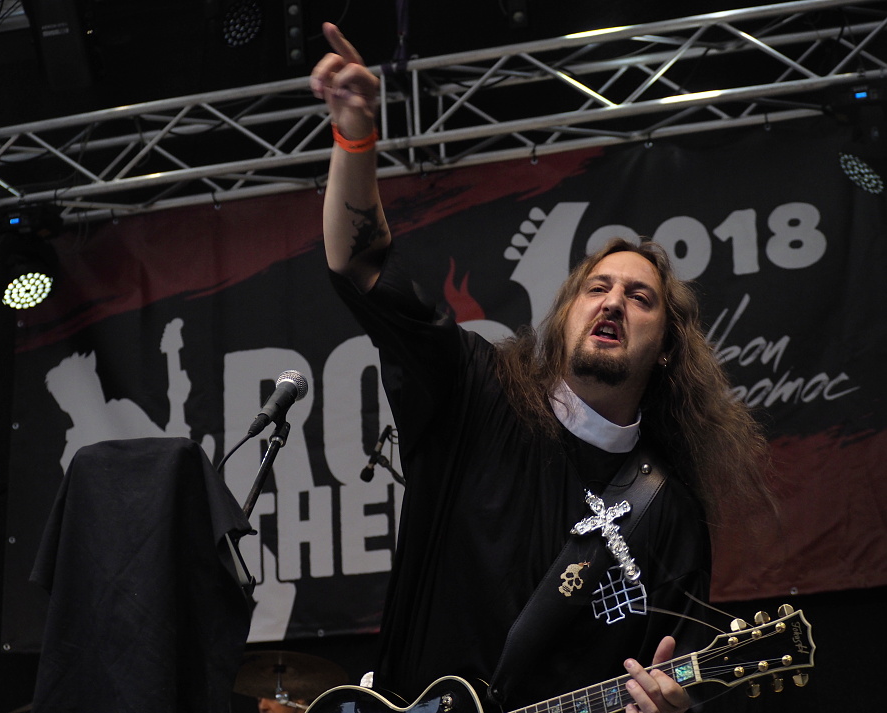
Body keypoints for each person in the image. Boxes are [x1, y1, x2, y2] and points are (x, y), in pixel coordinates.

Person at [310, 23, 771, 713]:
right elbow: (361, 263)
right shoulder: (476, 391)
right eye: (596, 287)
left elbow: (672, 684)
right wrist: (354, 136)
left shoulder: (669, 516)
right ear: (564, 317)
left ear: (668, 348)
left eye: (639, 297)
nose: (612, 301)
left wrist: (672, 707)